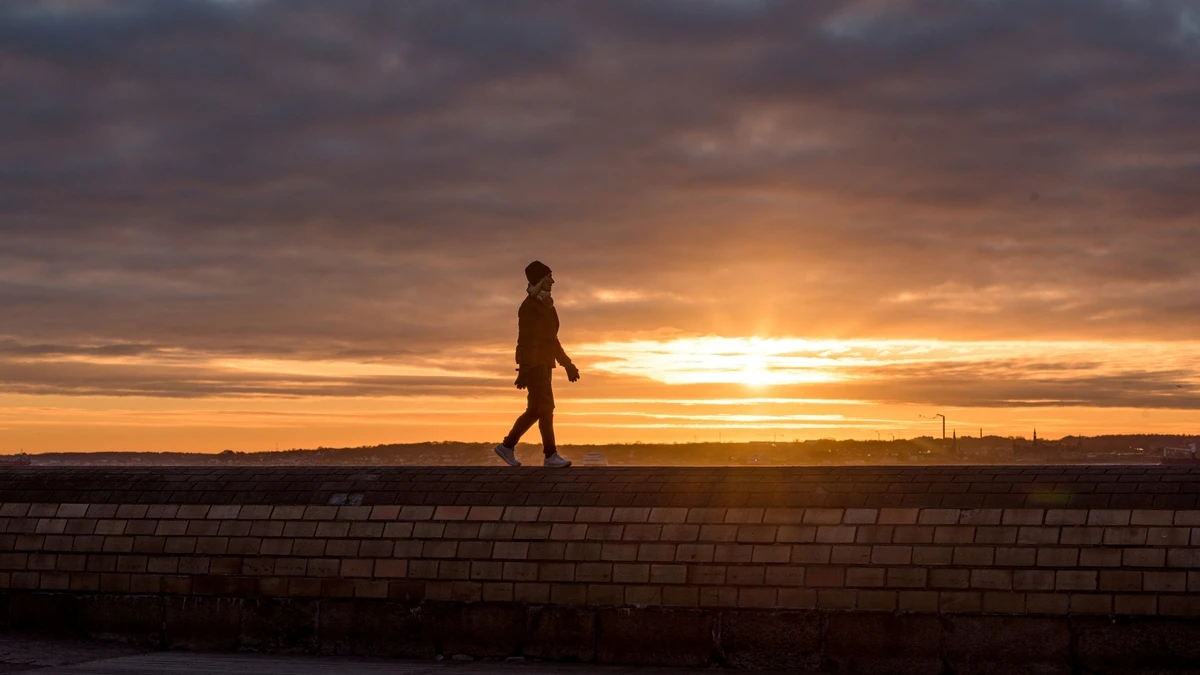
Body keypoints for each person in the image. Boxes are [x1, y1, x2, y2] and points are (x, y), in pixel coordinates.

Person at [494, 260, 579, 468]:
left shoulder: (547, 305)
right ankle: (550, 455)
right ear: (541, 279)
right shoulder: (529, 307)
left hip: (544, 364)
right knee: (546, 408)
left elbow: (552, 340)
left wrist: (568, 364)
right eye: (550, 276)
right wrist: (524, 369)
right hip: (534, 365)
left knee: (536, 410)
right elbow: (524, 340)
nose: (553, 281)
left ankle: (507, 446)